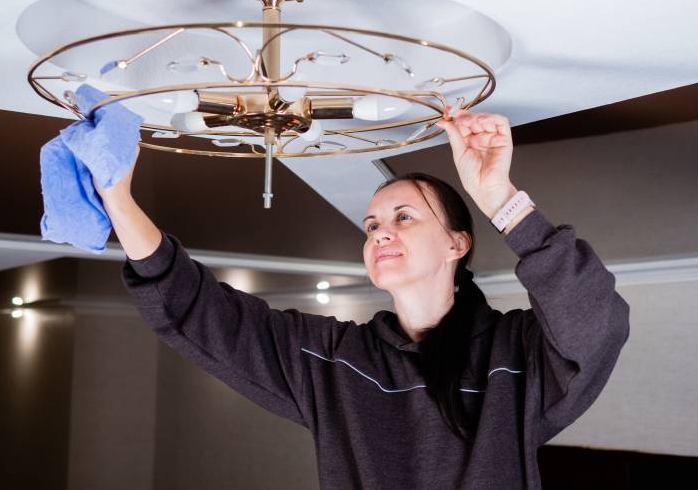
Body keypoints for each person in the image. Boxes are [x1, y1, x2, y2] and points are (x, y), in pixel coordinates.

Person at [96, 108, 630, 490]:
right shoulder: (333, 362)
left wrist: (497, 196)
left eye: (403, 218)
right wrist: (117, 198)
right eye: (372, 224)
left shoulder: (514, 359)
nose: (379, 234)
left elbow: (596, 320)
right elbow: (198, 313)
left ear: (457, 244)